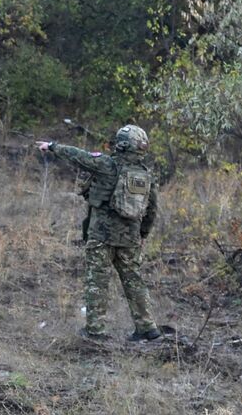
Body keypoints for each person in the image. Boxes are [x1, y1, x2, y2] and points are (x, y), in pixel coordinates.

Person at [37, 125, 161, 342]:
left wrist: (53, 147)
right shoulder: (145, 174)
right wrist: (143, 233)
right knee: (134, 281)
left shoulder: (106, 164)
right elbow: (151, 209)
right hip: (130, 238)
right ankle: (147, 327)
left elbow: (78, 156)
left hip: (101, 236)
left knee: (97, 282)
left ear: (121, 144)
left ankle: (95, 331)